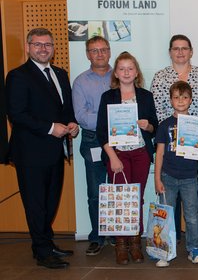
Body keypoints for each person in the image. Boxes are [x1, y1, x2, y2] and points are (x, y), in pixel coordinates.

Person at [6, 27, 79, 269]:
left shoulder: (60, 73)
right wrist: (50, 128)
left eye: (47, 44)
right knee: (35, 203)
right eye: (37, 44)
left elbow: (65, 108)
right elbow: (16, 114)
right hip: (30, 153)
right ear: (28, 47)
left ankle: (47, 243)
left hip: (55, 151)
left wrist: (71, 123)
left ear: (53, 48)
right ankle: (41, 251)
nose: (43, 49)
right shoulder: (18, 76)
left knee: (50, 201)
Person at [151, 35, 198, 243]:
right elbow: (158, 111)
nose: (180, 52)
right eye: (176, 48)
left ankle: (197, 235)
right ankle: (174, 237)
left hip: (197, 146)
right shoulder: (161, 77)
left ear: (191, 51)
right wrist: (173, 135)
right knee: (172, 192)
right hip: (170, 147)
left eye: (184, 48)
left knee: (195, 188)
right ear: (170, 52)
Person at [97, 52, 158, 265]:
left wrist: (147, 126)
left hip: (140, 154)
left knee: (137, 198)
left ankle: (135, 242)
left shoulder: (145, 96)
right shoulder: (108, 97)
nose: (126, 72)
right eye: (122, 69)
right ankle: (121, 244)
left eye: (130, 68)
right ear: (115, 72)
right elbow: (101, 132)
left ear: (136, 72)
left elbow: (154, 127)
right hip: (118, 155)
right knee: (120, 201)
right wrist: (112, 157)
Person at [154, 81, 198, 267]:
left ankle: (194, 249)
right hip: (168, 176)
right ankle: (164, 251)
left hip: (190, 177)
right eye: (176, 97)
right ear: (170, 100)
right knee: (167, 214)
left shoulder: (197, 125)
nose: (181, 101)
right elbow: (159, 153)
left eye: (184, 97)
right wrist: (157, 178)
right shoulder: (164, 125)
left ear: (190, 100)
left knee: (192, 215)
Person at [72, 35, 112, 256]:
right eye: (94, 50)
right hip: (93, 140)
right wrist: (111, 118)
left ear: (109, 51)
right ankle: (97, 236)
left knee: (118, 189)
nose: (99, 54)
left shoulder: (121, 75)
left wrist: (117, 119)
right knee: (96, 192)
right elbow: (81, 116)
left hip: (120, 139)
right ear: (88, 54)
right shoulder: (80, 81)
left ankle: (118, 234)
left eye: (103, 49)